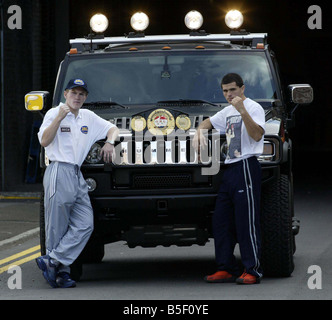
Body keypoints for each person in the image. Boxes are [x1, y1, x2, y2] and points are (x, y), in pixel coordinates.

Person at [35, 78, 119, 288]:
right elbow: (44, 142)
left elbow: (113, 129)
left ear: (86, 97)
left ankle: (53, 260)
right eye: (74, 93)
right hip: (59, 169)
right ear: (65, 94)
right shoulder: (54, 113)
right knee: (57, 226)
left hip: (76, 173)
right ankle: (60, 274)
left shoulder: (87, 116)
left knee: (85, 224)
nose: (77, 97)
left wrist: (110, 142)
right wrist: (59, 118)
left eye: (82, 94)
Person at [193, 73, 265, 284]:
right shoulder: (227, 111)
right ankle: (226, 267)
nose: (228, 94)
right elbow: (208, 121)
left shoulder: (253, 107)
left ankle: (253, 269)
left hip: (246, 165)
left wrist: (243, 111)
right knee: (221, 221)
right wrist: (199, 131)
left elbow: (257, 135)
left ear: (242, 89)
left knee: (246, 221)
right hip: (230, 168)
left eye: (232, 89)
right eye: (225, 91)